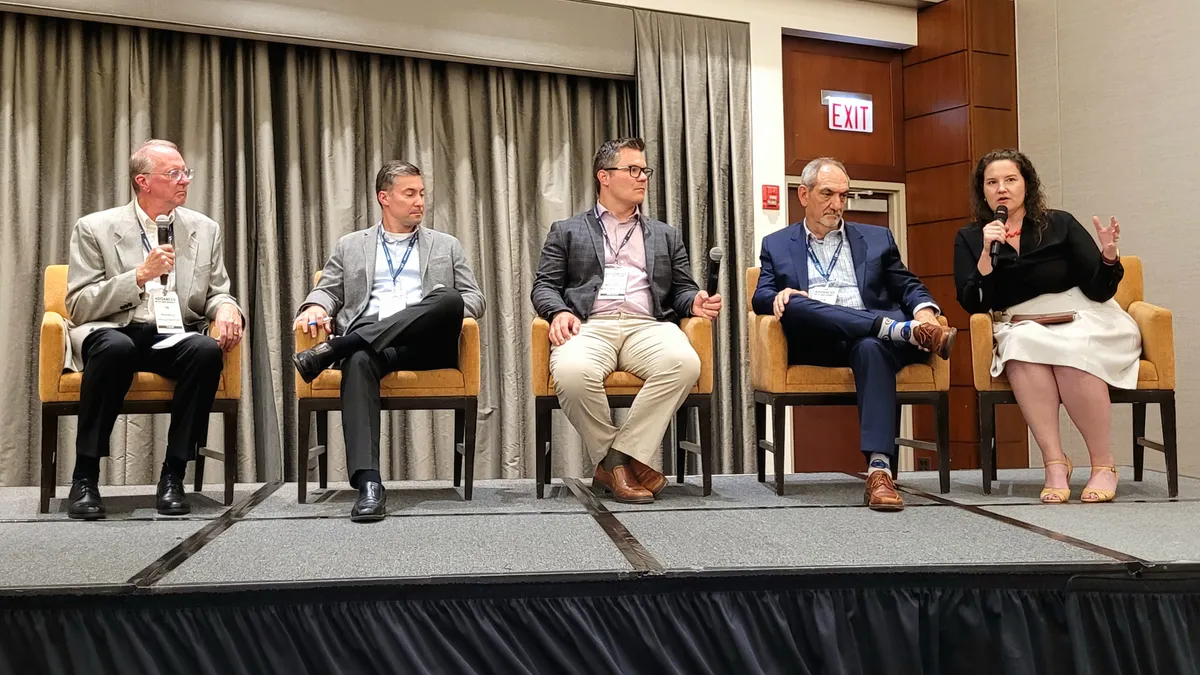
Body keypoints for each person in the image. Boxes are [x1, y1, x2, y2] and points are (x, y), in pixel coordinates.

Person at [752, 157, 956, 512]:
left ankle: (879, 471)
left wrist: (925, 313)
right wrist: (778, 296)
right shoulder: (777, 243)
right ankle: (895, 329)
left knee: (871, 348)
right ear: (804, 194)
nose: (837, 204)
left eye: (843, 196)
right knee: (795, 302)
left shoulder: (876, 238)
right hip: (819, 341)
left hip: (870, 343)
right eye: (827, 194)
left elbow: (907, 285)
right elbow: (760, 297)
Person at [531, 137, 722, 504]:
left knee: (684, 363)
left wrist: (694, 300)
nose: (642, 178)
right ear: (604, 176)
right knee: (570, 372)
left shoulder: (665, 235)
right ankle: (622, 464)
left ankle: (615, 461)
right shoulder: (567, 230)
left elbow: (681, 290)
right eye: (633, 170)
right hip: (590, 326)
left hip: (646, 326)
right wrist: (559, 311)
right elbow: (543, 287)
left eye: (644, 170)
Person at [292, 160, 485, 522]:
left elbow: (475, 299)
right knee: (360, 359)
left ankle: (337, 347)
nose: (419, 202)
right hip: (374, 344)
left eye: (422, 194)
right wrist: (313, 308)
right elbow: (326, 291)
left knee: (448, 298)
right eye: (409, 194)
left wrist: (436, 310)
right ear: (384, 197)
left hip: (428, 345)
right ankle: (369, 485)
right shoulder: (351, 246)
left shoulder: (446, 245)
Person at [64, 139, 244, 519]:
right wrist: (139, 277)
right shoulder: (96, 228)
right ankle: (85, 477)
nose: (184, 181)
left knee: (205, 351)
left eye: (185, 172)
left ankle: (173, 475)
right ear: (143, 181)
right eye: (174, 173)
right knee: (116, 350)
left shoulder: (203, 229)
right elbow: (78, 306)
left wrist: (227, 307)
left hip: (171, 331)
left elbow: (216, 292)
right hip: (114, 328)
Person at [953, 148, 1139, 504]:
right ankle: (1055, 463)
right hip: (1021, 322)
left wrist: (1109, 257)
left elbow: (1099, 290)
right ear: (983, 190)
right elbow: (974, 303)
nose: (1001, 189)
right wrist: (985, 255)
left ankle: (1103, 464)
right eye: (992, 182)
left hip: (1082, 316)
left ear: (1027, 184)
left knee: (1071, 350)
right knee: (1020, 349)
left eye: (1010, 180)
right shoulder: (971, 236)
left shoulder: (1060, 223)